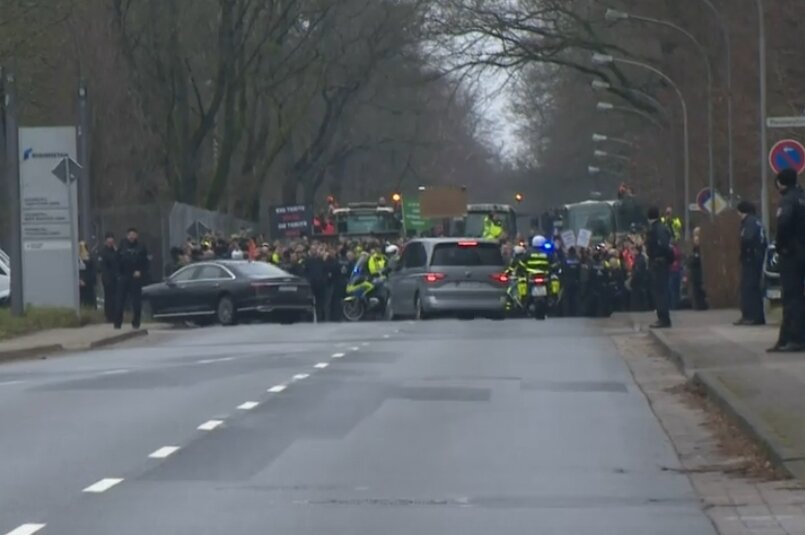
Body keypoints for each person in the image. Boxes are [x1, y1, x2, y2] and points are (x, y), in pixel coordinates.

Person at [768, 169, 805, 352]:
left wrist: (781, 246)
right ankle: (786, 338)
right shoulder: (802, 197)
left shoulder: (788, 200)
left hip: (791, 255)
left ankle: (794, 339)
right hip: (802, 252)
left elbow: (783, 224)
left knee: (791, 297)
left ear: (781, 183)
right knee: (797, 296)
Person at [735, 201, 765, 325]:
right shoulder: (756, 221)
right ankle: (751, 315)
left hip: (751, 258)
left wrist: (744, 253)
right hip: (756, 257)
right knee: (751, 287)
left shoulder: (749, 223)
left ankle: (752, 316)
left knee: (749, 287)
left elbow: (747, 239)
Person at [114, 227, 149, 330]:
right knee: (120, 301)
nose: (132, 236)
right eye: (130, 234)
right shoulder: (122, 246)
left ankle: (136, 323)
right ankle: (117, 323)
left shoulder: (141, 247)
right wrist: (118, 275)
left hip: (135, 277)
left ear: (137, 236)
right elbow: (117, 261)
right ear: (127, 235)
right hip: (124, 276)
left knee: (136, 302)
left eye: (134, 234)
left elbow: (146, 263)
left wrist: (141, 272)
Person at [646, 206, 672, 328]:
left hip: (658, 263)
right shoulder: (662, 227)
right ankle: (663, 317)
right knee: (661, 291)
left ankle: (663, 318)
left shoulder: (656, 229)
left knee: (660, 292)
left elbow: (663, 246)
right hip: (661, 263)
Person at [98, 232, 118, 322]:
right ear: (106, 242)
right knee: (109, 298)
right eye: (109, 242)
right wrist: (106, 279)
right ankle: (109, 317)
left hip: (116, 279)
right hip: (108, 279)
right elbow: (102, 267)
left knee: (116, 298)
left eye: (112, 242)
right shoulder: (103, 252)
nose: (110, 243)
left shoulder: (116, 251)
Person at [78, 241, 97, 308]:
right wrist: (79, 280)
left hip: (89, 283)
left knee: (90, 301)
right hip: (79, 283)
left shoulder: (90, 258)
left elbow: (93, 270)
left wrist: (87, 281)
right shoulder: (76, 258)